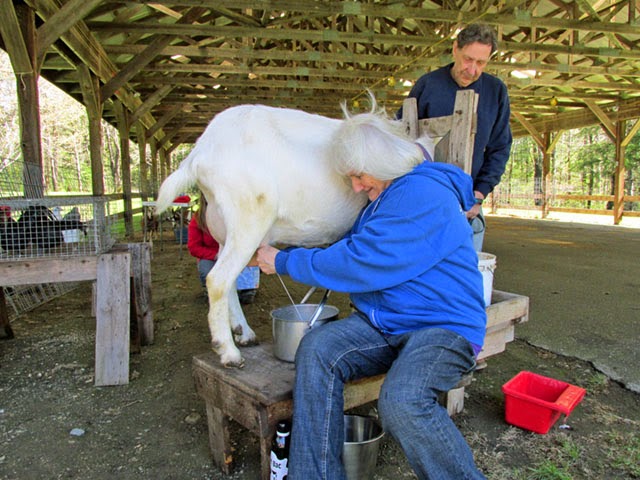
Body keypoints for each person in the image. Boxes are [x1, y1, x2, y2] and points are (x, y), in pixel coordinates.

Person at [256, 107, 487, 479]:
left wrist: (284, 262)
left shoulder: (421, 193)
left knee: (403, 400)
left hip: (442, 326)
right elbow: (350, 249)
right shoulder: (383, 199)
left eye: (359, 175)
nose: (356, 187)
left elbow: (360, 262)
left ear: (384, 162)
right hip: (386, 323)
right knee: (317, 349)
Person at [397, 23, 512, 251]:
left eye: (481, 63)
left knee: (465, 267)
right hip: (424, 199)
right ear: (455, 49)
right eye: (468, 59)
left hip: (469, 202)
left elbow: (500, 147)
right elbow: (401, 136)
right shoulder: (427, 85)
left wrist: (479, 194)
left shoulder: (496, 91)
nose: (472, 70)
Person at [187, 195, 259, 305]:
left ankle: (247, 289)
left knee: (246, 265)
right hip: (213, 257)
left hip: (235, 254)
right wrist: (216, 255)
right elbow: (194, 247)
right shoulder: (198, 219)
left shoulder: (237, 213)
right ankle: (211, 288)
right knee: (206, 268)